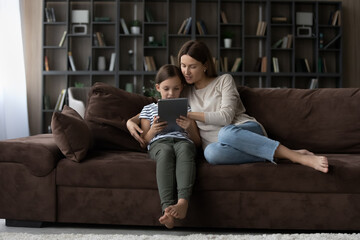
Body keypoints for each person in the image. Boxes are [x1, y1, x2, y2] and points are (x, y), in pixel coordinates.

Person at [128, 40, 328, 179]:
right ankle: (282, 153)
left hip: (242, 130)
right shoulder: (183, 90)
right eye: (183, 66)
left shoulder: (224, 81)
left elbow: (225, 117)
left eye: (192, 66)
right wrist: (131, 121)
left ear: (205, 65)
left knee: (226, 133)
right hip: (219, 146)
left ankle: (297, 157)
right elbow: (158, 104)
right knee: (211, 155)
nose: (186, 72)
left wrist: (188, 114)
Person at [138, 64, 201, 229]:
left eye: (175, 89)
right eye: (166, 89)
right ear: (158, 88)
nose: (171, 94)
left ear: (182, 88)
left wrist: (189, 127)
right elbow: (144, 141)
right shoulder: (148, 109)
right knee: (165, 152)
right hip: (159, 143)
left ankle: (182, 203)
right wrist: (153, 130)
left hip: (183, 141)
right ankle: (167, 210)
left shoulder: (187, 109)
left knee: (185, 149)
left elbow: (197, 142)